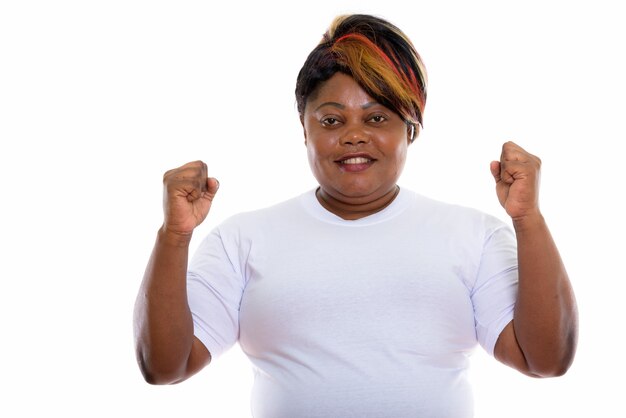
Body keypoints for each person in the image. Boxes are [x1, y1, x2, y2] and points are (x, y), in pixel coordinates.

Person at [133, 13, 578, 417]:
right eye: (331, 120)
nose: (353, 137)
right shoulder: (243, 239)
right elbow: (165, 367)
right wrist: (174, 236)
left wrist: (528, 220)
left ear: (411, 129)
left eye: (377, 118)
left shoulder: (473, 235)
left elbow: (545, 361)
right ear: (303, 128)